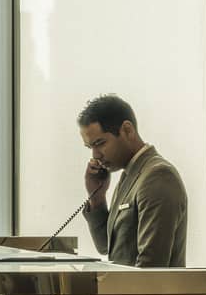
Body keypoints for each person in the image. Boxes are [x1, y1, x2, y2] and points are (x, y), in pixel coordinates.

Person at [78, 94, 187, 268]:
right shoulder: (129, 176)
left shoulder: (158, 176)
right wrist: (97, 198)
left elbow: (151, 267)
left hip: (143, 294)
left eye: (100, 143)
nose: (95, 155)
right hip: (127, 293)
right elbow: (106, 246)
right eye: (90, 147)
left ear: (127, 130)